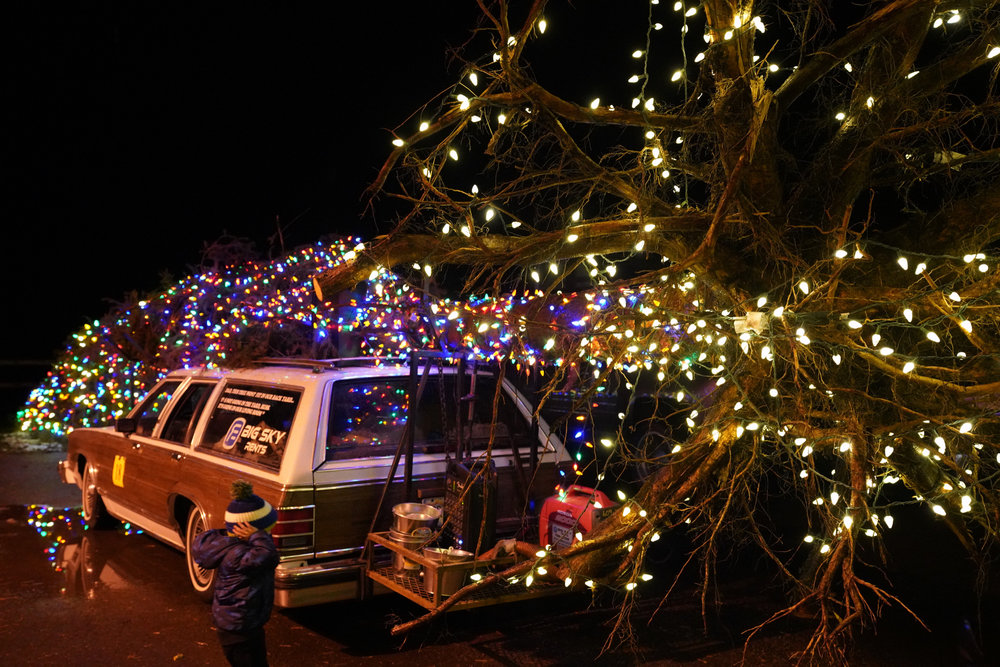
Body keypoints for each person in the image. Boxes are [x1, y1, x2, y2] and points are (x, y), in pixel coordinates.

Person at [192, 480, 280, 667]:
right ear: (249, 530)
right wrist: (258, 536)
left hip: (240, 625)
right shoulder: (239, 554)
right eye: (267, 529)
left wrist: (254, 536)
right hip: (239, 629)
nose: (269, 534)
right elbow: (268, 557)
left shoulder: (233, 546)